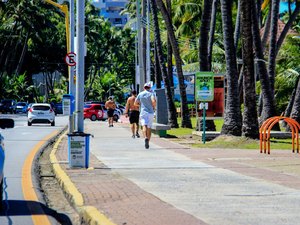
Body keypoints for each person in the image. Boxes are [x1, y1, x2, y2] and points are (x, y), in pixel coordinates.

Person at [135, 82, 156, 149]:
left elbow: (135, 103)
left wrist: (140, 105)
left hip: (143, 112)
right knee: (149, 127)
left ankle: (145, 137)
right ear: (149, 88)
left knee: (144, 126)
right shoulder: (151, 94)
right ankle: (148, 141)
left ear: (144, 88)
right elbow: (153, 101)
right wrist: (154, 106)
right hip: (150, 112)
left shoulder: (140, 94)